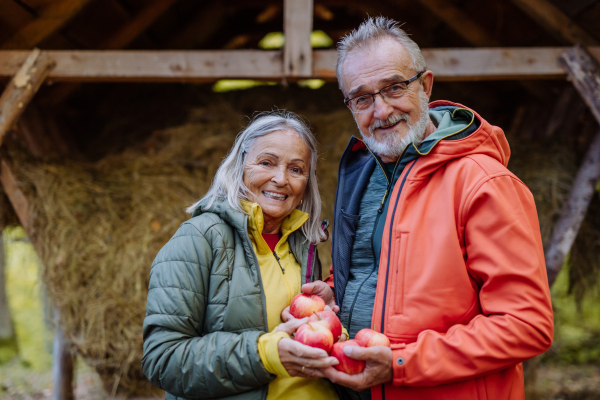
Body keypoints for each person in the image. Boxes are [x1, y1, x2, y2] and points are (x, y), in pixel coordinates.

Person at [296, 17, 554, 400]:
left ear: (426, 86)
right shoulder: (364, 171)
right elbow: (375, 268)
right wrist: (338, 293)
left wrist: (402, 363)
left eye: (394, 88)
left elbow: (526, 324)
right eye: (362, 98)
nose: (381, 111)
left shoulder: (483, 182)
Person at [141, 111, 341, 400]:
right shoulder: (197, 240)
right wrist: (265, 354)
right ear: (239, 167)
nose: (281, 179)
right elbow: (163, 359)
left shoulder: (302, 244)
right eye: (266, 163)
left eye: (296, 170)